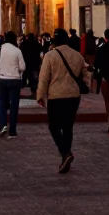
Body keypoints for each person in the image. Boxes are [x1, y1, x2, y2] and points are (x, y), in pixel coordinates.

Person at [36, 28, 88, 173]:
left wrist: (40, 96)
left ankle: (65, 153)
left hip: (56, 96)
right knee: (67, 127)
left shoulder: (50, 56)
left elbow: (44, 78)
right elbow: (86, 73)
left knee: (53, 126)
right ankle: (65, 156)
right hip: (73, 96)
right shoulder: (77, 55)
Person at [0, 31, 26, 138]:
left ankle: (3, 125)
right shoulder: (17, 50)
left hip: (2, 78)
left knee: (2, 103)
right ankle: (12, 130)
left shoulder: (0, 49)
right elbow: (22, 67)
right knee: (14, 105)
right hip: (15, 80)